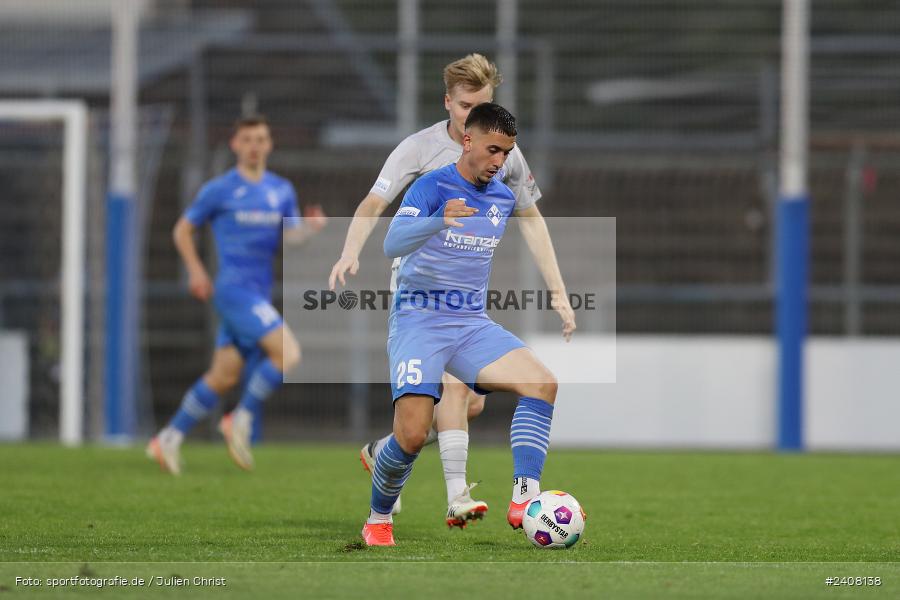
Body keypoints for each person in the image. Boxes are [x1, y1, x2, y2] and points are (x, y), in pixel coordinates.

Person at [329, 54, 574, 527]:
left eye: (481, 106)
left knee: (469, 403)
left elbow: (531, 219)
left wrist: (558, 290)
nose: (471, 117)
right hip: (419, 302)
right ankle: (453, 495)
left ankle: (392, 451)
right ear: (449, 104)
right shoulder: (419, 155)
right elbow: (375, 204)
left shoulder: (504, 157)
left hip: (467, 309)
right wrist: (349, 250)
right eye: (464, 107)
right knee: (443, 405)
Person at [146, 115, 327, 475]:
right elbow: (183, 230)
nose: (254, 146)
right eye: (247, 139)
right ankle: (240, 417)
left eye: (260, 138)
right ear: (235, 145)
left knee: (224, 375)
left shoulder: (281, 190)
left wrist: (309, 229)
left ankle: (167, 438)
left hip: (258, 291)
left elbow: (290, 239)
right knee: (288, 353)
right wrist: (196, 271)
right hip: (232, 289)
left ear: (270, 144)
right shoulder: (220, 189)